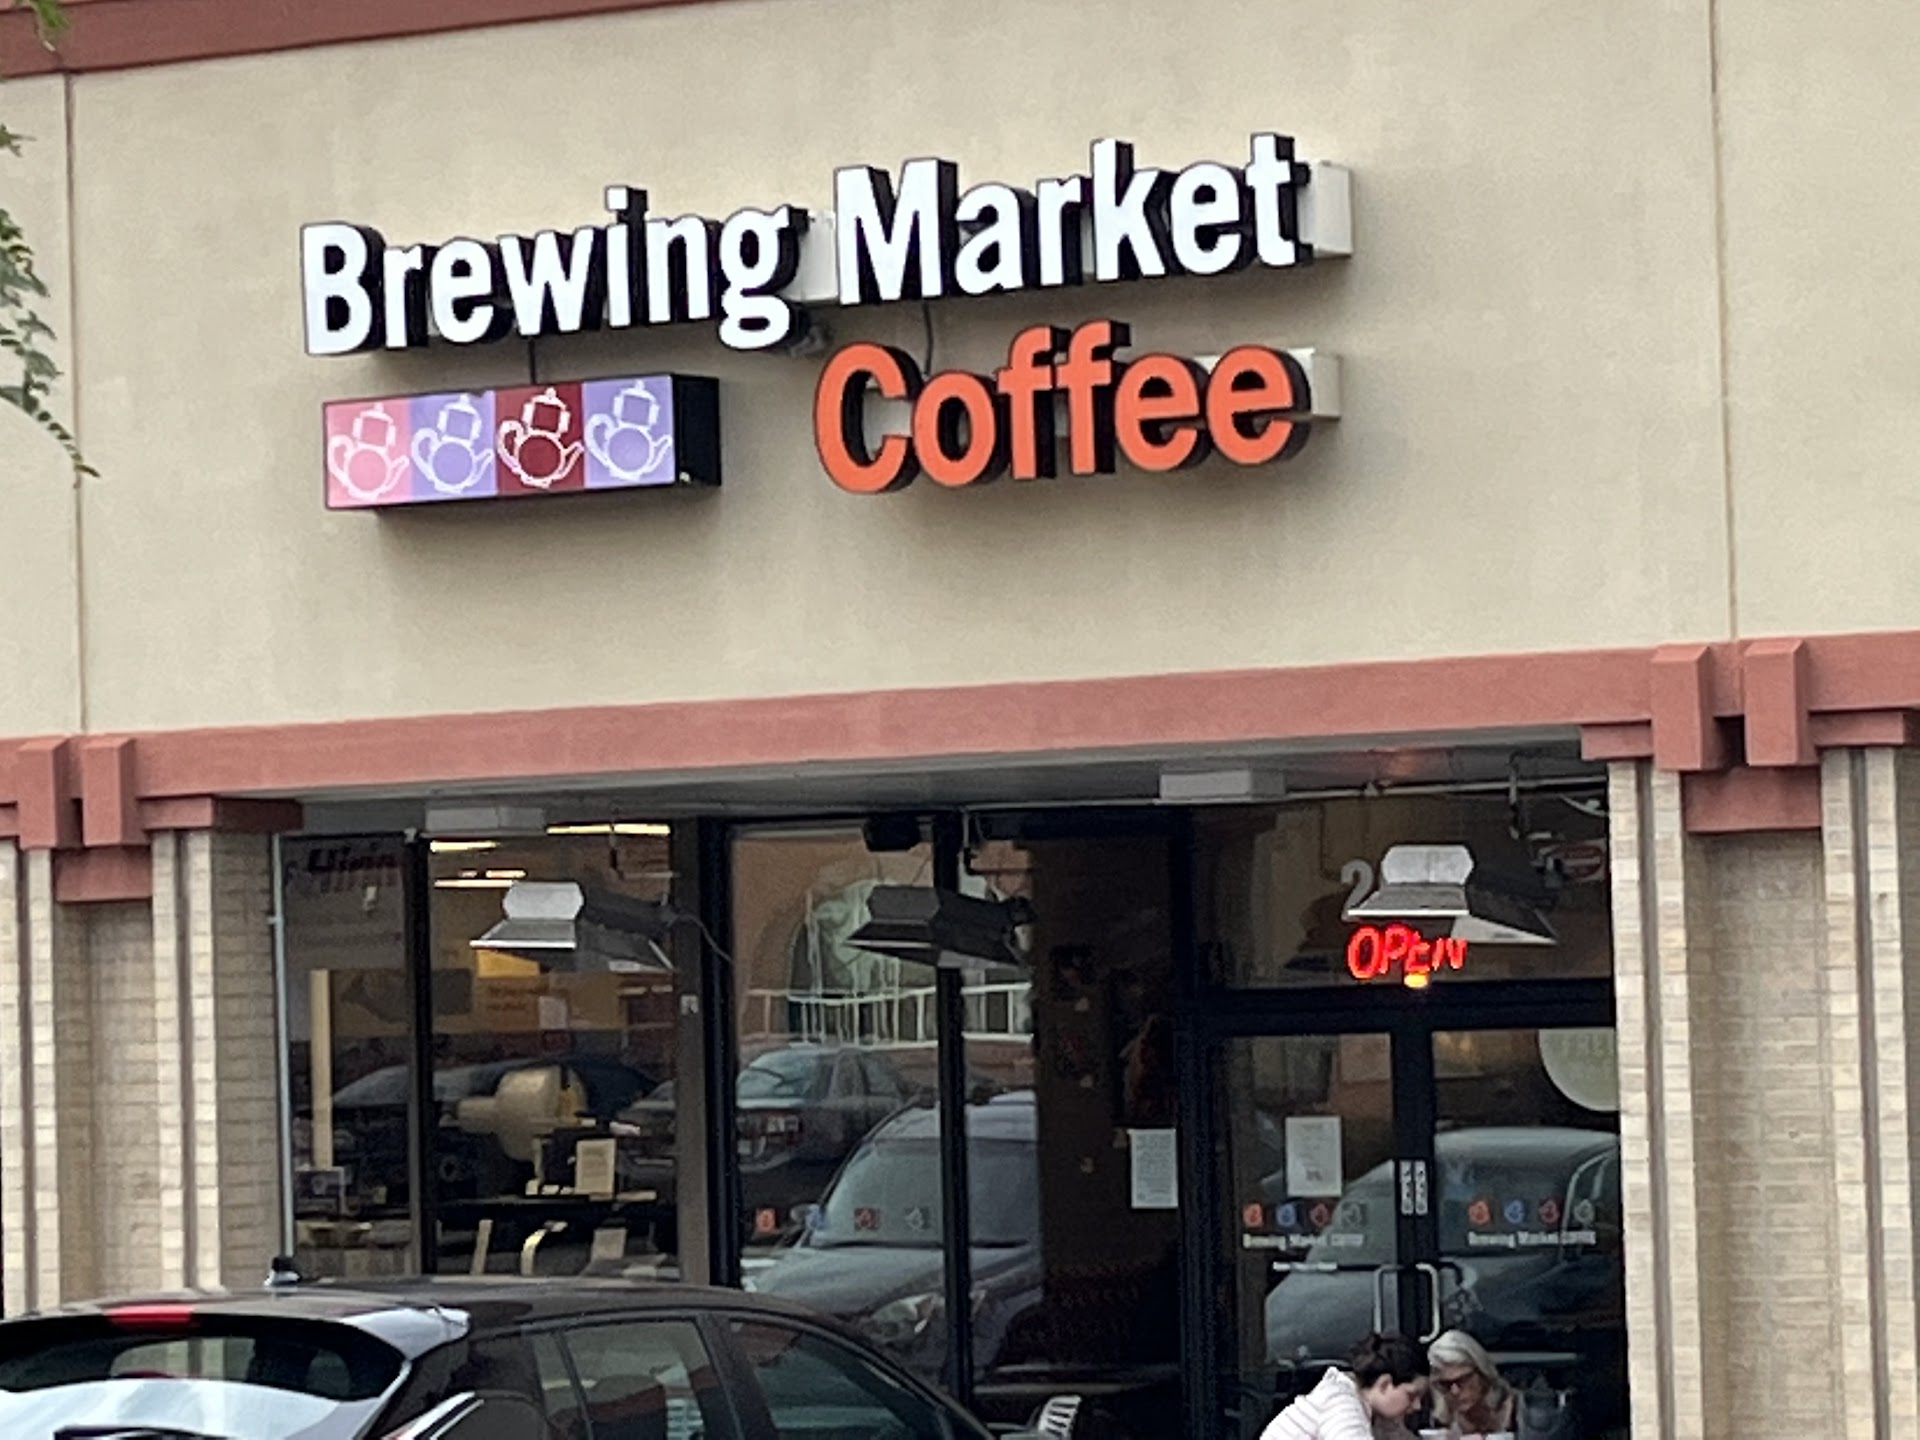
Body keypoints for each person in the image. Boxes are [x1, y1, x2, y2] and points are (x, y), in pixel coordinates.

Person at [1260, 1333, 1429, 1440]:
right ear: (1384, 1384)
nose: (1417, 1406)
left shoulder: (1370, 1409)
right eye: (1412, 1395)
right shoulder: (1342, 1402)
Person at [1427, 1329, 1516, 1438]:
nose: (1455, 1391)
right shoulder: (1438, 1421)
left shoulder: (1522, 1413)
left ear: (1482, 1374)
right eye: (1446, 1384)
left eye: (1462, 1380)